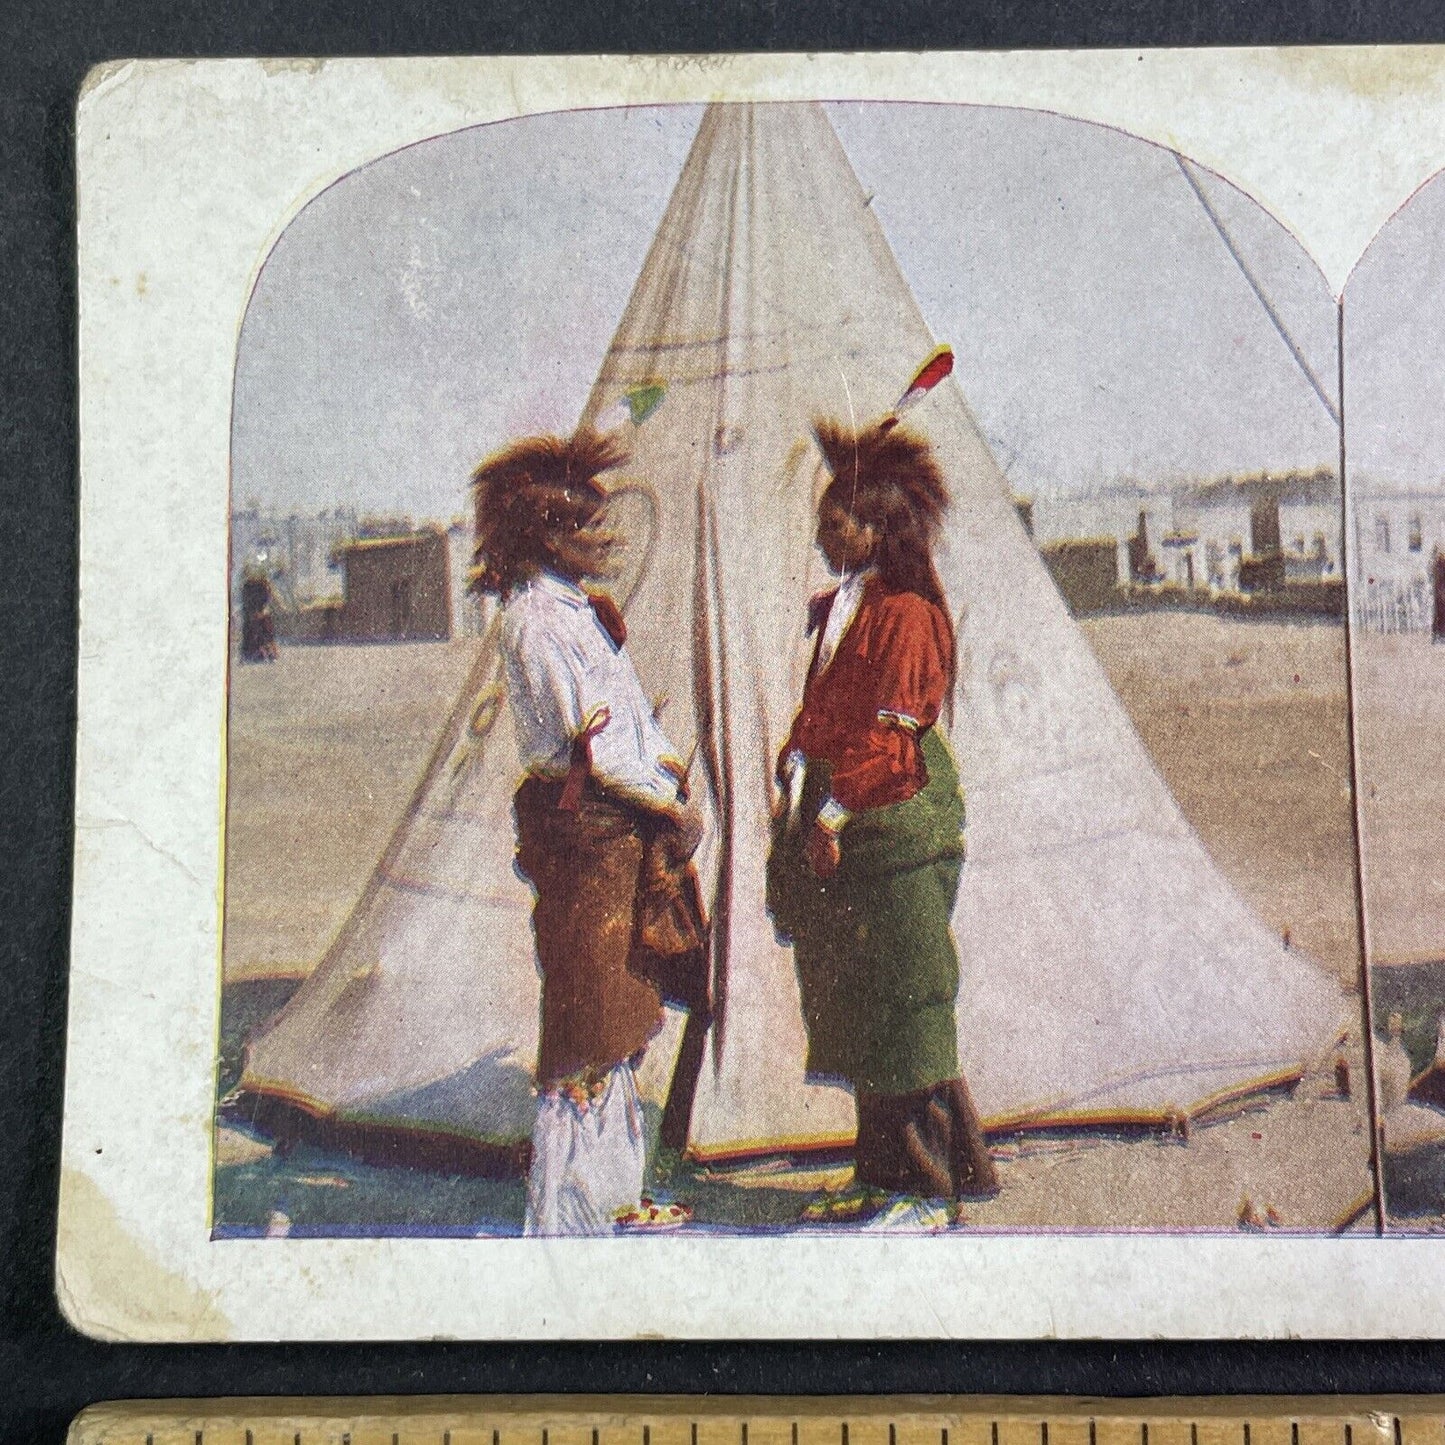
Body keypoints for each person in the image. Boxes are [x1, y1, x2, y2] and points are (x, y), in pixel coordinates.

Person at [470, 428, 707, 1236]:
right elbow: (594, 748)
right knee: (587, 1023)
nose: (604, 541)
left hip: (619, 826)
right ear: (545, 535)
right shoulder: (537, 622)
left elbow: (627, 723)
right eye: (586, 528)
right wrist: (668, 801)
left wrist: (668, 771)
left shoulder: (573, 612)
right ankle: (570, 1215)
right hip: (590, 831)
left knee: (618, 1015)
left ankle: (611, 1194)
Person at [766, 417, 998, 1228]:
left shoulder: (906, 616)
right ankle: (880, 1175)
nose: (825, 542)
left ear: (875, 529)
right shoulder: (852, 607)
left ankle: (929, 1193)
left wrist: (828, 811)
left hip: (894, 818)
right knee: (862, 1002)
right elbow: (826, 710)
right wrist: (795, 764)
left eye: (837, 528)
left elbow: (889, 741)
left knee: (907, 1001)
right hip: (847, 818)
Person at [240, 566, 279, 662]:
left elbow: (268, 599)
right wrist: (253, 613)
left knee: (265, 632)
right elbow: (246, 601)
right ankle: (256, 653)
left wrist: (263, 611)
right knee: (253, 632)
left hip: (261, 613)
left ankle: (268, 653)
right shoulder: (247, 586)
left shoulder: (263, 585)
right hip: (251, 614)